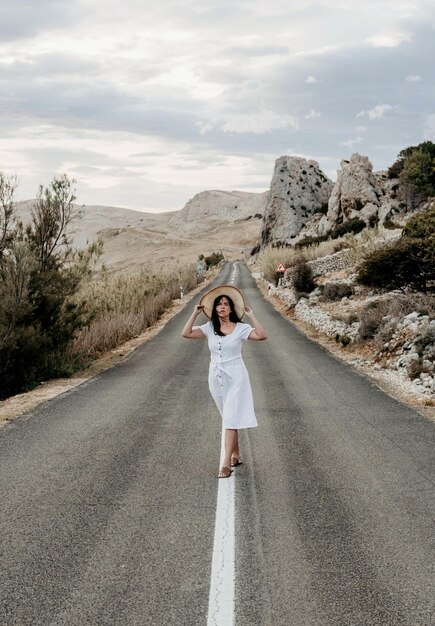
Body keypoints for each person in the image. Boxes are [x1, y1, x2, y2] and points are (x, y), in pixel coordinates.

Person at [181, 285, 267, 478]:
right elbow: (186, 333)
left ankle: (225, 464)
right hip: (216, 377)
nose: (222, 307)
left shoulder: (241, 328)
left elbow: (262, 335)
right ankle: (236, 453)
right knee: (227, 416)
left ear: (231, 309)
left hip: (236, 377)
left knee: (230, 417)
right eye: (218, 304)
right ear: (214, 309)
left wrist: (252, 316)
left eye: (225, 304)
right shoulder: (209, 328)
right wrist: (194, 314)